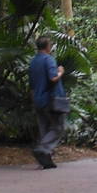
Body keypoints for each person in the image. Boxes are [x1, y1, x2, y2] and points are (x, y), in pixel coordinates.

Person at [28, 36, 67, 169]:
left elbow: (32, 85)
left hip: (38, 99)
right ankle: (43, 149)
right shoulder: (48, 59)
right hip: (51, 99)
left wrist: (34, 100)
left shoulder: (33, 62)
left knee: (44, 129)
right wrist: (60, 72)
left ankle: (46, 160)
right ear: (47, 46)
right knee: (58, 127)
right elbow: (53, 78)